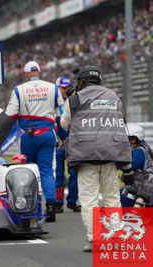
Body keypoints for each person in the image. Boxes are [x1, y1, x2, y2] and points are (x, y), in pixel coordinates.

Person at [60, 66, 134, 252]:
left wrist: (73, 99)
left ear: (81, 82)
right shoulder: (114, 96)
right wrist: (126, 166)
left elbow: (64, 123)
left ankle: (95, 240)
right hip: (110, 155)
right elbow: (120, 125)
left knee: (89, 200)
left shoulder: (75, 98)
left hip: (86, 156)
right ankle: (117, 236)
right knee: (111, 198)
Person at [5, 61, 65, 222]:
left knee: (28, 172)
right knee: (47, 170)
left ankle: (30, 206)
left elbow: (10, 116)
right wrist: (64, 137)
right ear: (39, 72)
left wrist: (9, 137)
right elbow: (62, 116)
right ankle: (51, 206)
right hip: (47, 134)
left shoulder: (18, 90)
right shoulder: (53, 88)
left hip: (27, 135)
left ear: (25, 74)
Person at [54, 77, 80, 213]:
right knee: (58, 173)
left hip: (73, 141)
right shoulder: (52, 103)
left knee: (74, 172)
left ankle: (72, 200)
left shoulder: (74, 101)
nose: (65, 90)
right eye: (63, 87)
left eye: (67, 87)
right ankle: (58, 201)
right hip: (58, 142)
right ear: (57, 88)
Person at [120, 125, 153, 207]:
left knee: (115, 197)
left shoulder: (139, 151)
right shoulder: (146, 148)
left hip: (142, 194)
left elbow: (124, 166)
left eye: (127, 139)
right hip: (142, 191)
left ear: (134, 139)